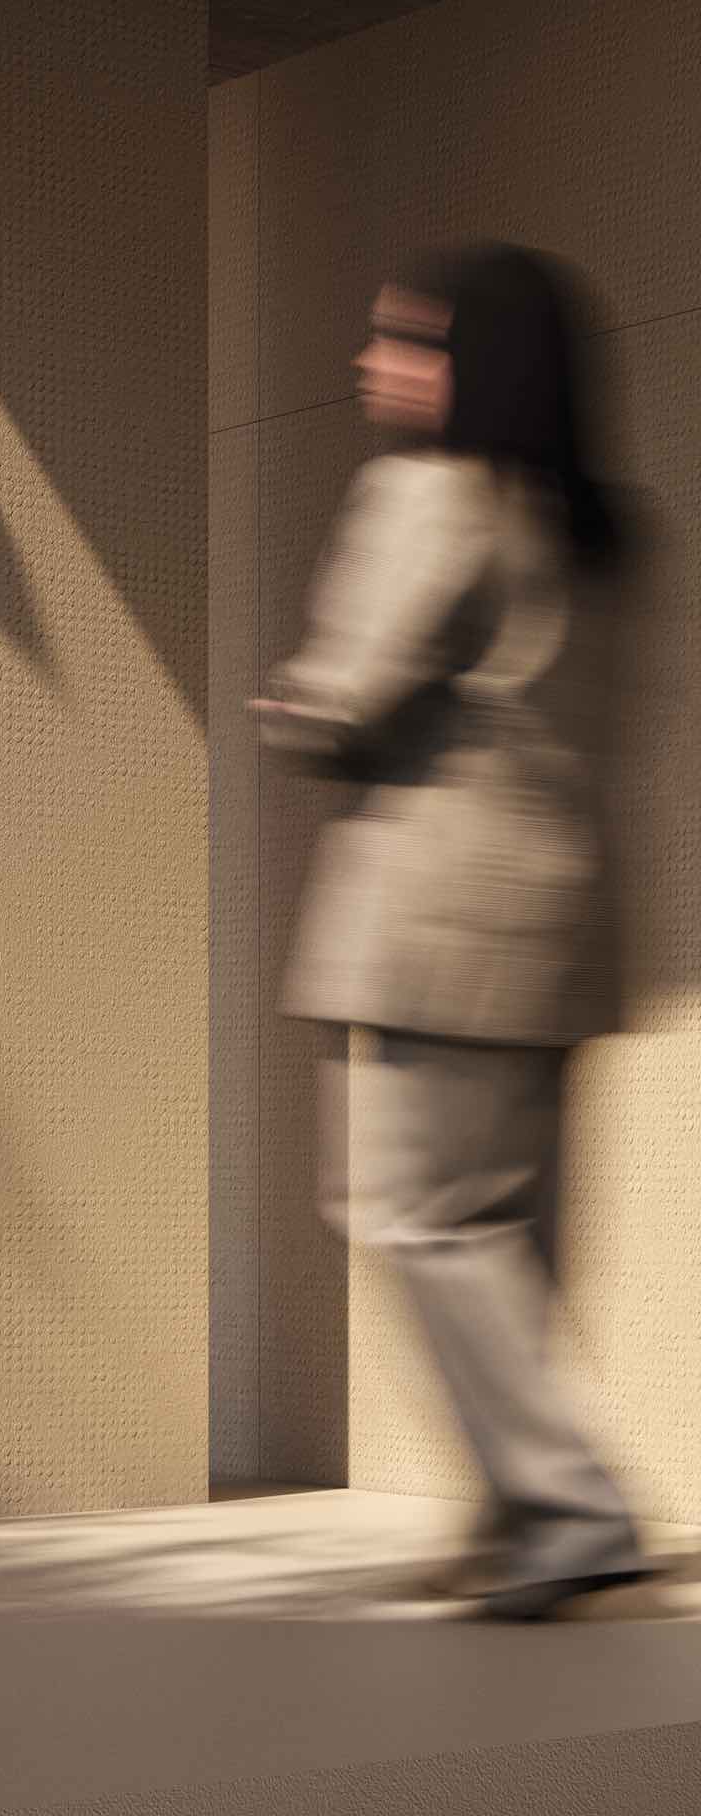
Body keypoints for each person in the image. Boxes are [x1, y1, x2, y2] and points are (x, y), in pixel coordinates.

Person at [250, 242, 656, 1621]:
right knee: (510, 1234)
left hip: (433, 922)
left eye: (400, 339)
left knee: (410, 1212)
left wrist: (290, 709)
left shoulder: (428, 493)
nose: (370, 362)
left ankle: (572, 1508)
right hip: (561, 927)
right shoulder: (605, 532)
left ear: (467, 362)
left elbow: (351, 696)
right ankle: (514, 1514)